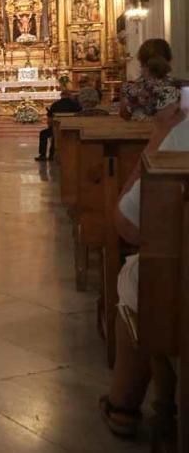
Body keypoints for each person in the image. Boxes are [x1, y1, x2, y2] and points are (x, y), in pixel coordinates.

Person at [100, 105, 188, 440]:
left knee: (142, 271)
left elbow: (130, 226)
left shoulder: (184, 126)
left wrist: (157, 139)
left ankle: (124, 405)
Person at [120, 38, 180, 122]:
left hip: (136, 133)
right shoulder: (180, 88)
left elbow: (124, 116)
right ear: (169, 58)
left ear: (140, 59)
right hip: (172, 134)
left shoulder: (129, 88)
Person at [34, 90, 80, 161]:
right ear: (70, 95)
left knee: (44, 134)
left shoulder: (55, 104)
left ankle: (43, 155)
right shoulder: (75, 105)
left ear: (61, 95)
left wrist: (51, 126)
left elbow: (50, 118)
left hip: (57, 128)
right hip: (72, 128)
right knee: (55, 135)